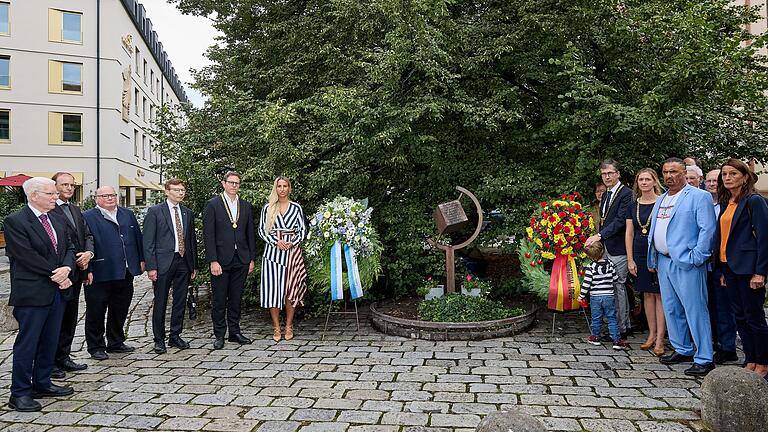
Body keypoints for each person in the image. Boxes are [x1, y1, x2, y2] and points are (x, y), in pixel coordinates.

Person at [4, 177, 75, 412]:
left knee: (49, 340)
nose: (56, 197)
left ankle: (42, 382)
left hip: (56, 290)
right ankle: (20, 393)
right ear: (34, 195)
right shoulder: (15, 221)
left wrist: (67, 269)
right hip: (32, 292)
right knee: (28, 342)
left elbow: (69, 246)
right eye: (51, 194)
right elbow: (24, 255)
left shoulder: (57, 218)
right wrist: (56, 273)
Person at [648, 158, 716, 376]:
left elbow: (707, 230)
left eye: (674, 171)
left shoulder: (699, 196)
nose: (669, 176)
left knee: (695, 309)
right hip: (664, 261)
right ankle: (682, 348)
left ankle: (704, 357)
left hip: (687, 261)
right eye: (665, 172)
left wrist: (698, 257)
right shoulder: (661, 199)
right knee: (671, 308)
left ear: (684, 173)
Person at [713, 158, 768, 379]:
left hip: (749, 269)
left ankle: (764, 361)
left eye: (733, 174)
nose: (727, 178)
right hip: (729, 268)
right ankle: (750, 358)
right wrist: (722, 269)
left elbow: (764, 238)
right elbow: (723, 237)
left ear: (745, 177)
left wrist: (760, 272)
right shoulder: (728, 202)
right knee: (740, 317)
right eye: (724, 174)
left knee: (754, 316)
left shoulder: (754, 201)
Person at [82, 186, 144, 360]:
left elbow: (137, 237)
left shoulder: (127, 214)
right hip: (100, 272)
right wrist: (88, 270)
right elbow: (85, 244)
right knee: (96, 310)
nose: (110, 198)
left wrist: (141, 259)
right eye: (105, 195)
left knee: (120, 308)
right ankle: (96, 346)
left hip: (125, 271)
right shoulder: (87, 217)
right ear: (96, 198)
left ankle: (116, 341)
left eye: (113, 195)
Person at [143, 179, 198, 354]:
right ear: (167, 191)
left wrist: (193, 265)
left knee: (180, 300)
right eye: (176, 190)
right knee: (160, 301)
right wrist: (151, 267)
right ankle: (159, 339)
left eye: (183, 190)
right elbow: (148, 242)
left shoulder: (187, 213)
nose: (180, 193)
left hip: (183, 261)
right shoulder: (155, 212)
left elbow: (191, 241)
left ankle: (175, 335)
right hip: (162, 263)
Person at [203, 171, 256, 349]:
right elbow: (208, 235)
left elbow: (250, 234)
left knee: (236, 298)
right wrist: (213, 260)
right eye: (231, 182)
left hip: (241, 259)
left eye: (237, 183)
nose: (234, 185)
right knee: (219, 299)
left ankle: (234, 332)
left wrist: (251, 258)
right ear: (224, 184)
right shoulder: (213, 205)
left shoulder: (245, 205)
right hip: (221, 260)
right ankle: (219, 334)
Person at [49, 173, 93, 378]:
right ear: (54, 186)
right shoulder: (48, 210)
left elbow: (87, 235)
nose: (69, 188)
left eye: (72, 185)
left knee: (70, 317)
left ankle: (64, 356)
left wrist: (88, 254)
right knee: (55, 319)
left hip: (77, 272)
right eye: (64, 184)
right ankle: (49, 362)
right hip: (58, 274)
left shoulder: (75, 209)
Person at [585, 160, 633, 337]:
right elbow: (603, 220)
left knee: (616, 286)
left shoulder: (626, 194)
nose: (607, 177)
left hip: (619, 247)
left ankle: (621, 328)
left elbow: (621, 221)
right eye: (604, 174)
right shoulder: (605, 195)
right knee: (610, 285)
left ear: (618, 174)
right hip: (606, 246)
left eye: (610, 173)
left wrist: (599, 236)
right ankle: (620, 324)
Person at [258, 176, 308, 342]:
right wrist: (276, 241)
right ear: (275, 188)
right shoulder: (268, 208)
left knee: (290, 290)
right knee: (273, 291)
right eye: (279, 186)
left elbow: (302, 230)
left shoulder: (296, 208)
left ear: (289, 188)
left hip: (292, 253)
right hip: (272, 254)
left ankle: (288, 325)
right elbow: (261, 231)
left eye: (285, 186)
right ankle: (276, 327)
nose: (282, 189)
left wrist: (291, 242)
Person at [625, 168, 666, 356]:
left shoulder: (663, 201)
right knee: (647, 295)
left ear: (654, 181)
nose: (644, 182)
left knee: (660, 296)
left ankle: (660, 339)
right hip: (639, 253)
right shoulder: (633, 205)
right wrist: (630, 259)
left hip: (657, 252)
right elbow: (629, 232)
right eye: (641, 179)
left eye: (647, 179)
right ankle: (651, 334)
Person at [705, 168, 738, 364]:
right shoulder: (703, 203)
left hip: (725, 264)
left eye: (714, 180)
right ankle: (716, 342)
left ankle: (728, 347)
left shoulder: (729, 204)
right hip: (707, 263)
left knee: (726, 308)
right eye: (708, 181)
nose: (712, 184)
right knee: (711, 306)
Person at [579, 241, 626, 350]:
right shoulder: (610, 264)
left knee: (596, 318)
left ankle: (595, 337)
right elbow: (615, 279)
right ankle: (616, 340)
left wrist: (581, 296)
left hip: (595, 297)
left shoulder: (591, 267)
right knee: (612, 318)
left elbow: (586, 284)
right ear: (603, 251)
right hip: (609, 296)